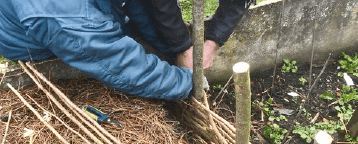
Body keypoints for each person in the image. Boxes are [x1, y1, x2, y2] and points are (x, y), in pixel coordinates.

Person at [0, 0, 250, 100]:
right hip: (28, 41)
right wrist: (186, 81)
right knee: (89, 52)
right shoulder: (59, 15)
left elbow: (137, 5)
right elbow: (115, 61)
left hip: (86, 15)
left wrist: (171, 47)